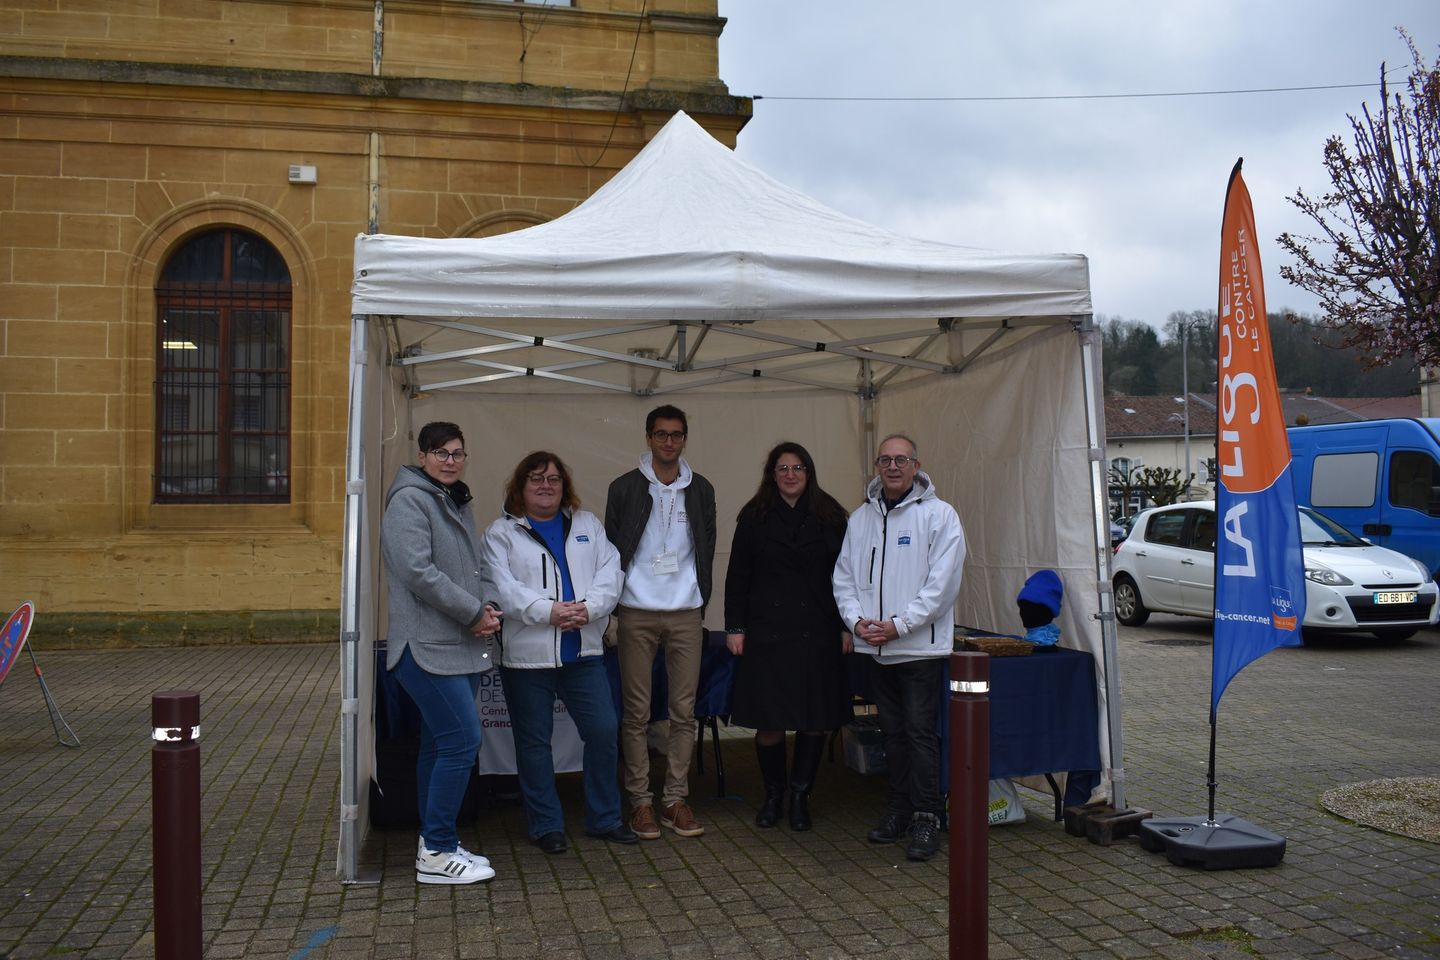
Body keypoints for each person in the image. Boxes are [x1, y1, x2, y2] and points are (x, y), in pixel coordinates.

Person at [479, 451, 636, 853]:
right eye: (535, 478)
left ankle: (605, 819)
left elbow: (611, 572)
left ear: (565, 485)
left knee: (603, 732)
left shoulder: (588, 525)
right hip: (526, 659)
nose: (545, 485)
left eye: (553, 479)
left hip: (582, 653)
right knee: (534, 744)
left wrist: (589, 609)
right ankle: (546, 825)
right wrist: (548, 611)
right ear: (520, 487)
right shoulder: (501, 534)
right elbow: (502, 588)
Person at [833, 433, 965, 862]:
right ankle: (899, 810)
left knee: (920, 735)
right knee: (893, 734)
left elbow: (941, 587)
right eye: (885, 460)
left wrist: (899, 626)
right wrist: (856, 621)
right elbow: (844, 579)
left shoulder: (941, 517)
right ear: (877, 465)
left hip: (919, 651)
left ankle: (927, 817)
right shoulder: (860, 520)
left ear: (916, 465)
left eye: (901, 460)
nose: (892, 467)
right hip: (877, 650)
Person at [382, 420, 502, 885]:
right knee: (461, 742)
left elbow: (474, 567)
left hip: (457, 646)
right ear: (423, 456)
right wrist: (475, 612)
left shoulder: (452, 500)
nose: (450, 461)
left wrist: (488, 604)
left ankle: (440, 842)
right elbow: (418, 572)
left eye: (457, 453)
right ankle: (434, 853)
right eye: (441, 453)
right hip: (425, 648)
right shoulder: (409, 500)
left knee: (439, 744)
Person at [724, 442, 852, 831]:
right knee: (769, 721)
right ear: (772, 474)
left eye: (798, 468)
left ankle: (801, 796)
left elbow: (848, 576)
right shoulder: (754, 516)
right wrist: (735, 627)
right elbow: (738, 576)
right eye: (783, 468)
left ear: (809, 473)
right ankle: (773, 795)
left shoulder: (831, 515)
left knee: (815, 719)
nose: (791, 475)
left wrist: (849, 625)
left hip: (820, 631)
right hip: (767, 633)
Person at [605, 404, 717, 840]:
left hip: (686, 611)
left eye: (676, 434)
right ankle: (640, 803)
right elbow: (614, 547)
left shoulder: (701, 488)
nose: (668, 442)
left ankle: (674, 798)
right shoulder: (625, 487)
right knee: (636, 713)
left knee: (683, 712)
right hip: (636, 609)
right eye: (661, 434)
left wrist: (701, 595)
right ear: (648, 437)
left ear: (685, 439)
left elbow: (707, 542)